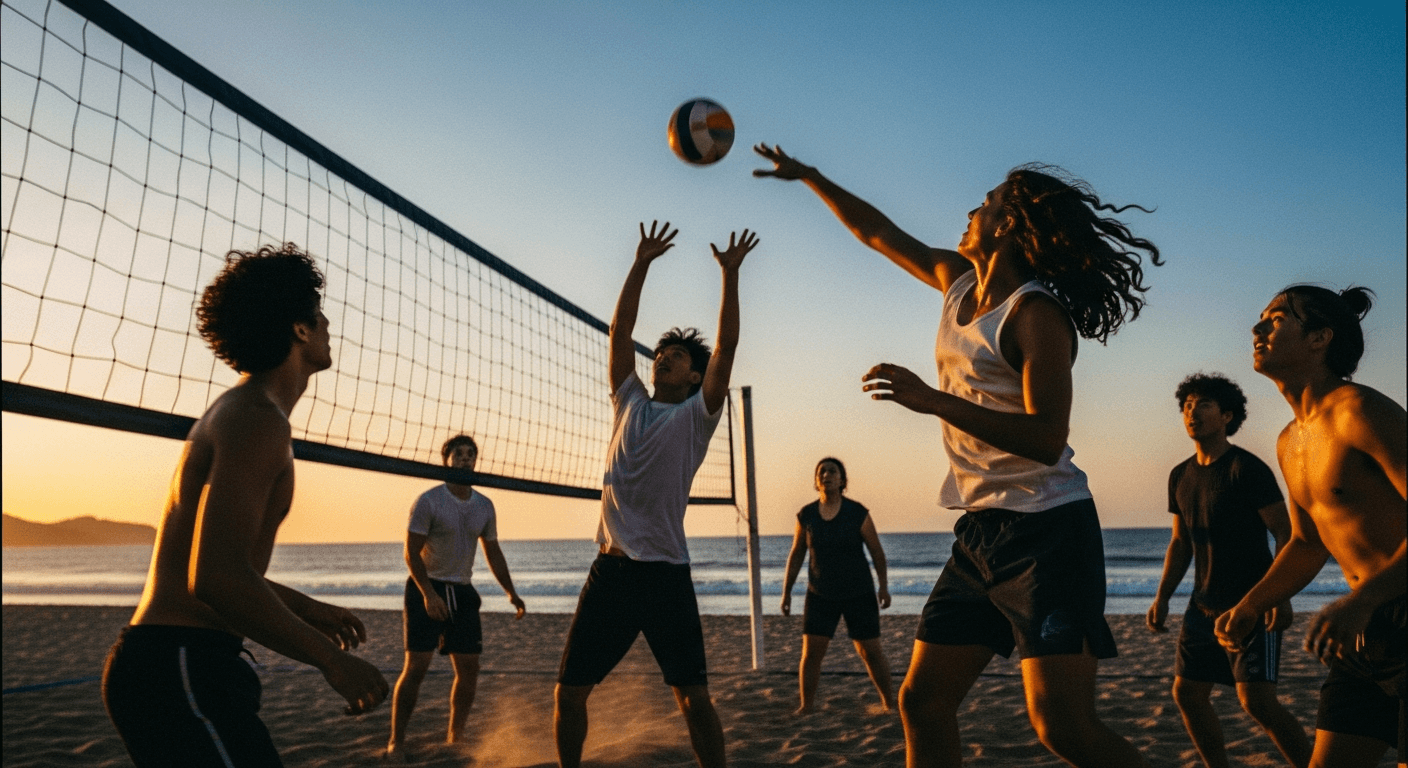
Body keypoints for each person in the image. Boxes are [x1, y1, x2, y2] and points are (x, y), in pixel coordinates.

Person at [755, 144, 1160, 768]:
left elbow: (1047, 437)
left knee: (1063, 729)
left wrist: (934, 402)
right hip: (980, 532)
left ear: (1010, 226)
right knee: (921, 701)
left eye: (990, 201)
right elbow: (877, 234)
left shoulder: (1035, 314)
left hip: (1050, 533)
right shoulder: (958, 283)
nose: (975, 207)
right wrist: (810, 176)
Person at [101, 243, 389, 767]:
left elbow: (210, 565)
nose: (329, 326)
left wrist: (306, 608)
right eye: (320, 315)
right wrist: (330, 662)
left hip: (173, 662)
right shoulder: (257, 418)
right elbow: (214, 579)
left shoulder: (242, 412)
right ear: (300, 329)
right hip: (179, 665)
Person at [553, 221, 758, 768]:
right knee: (569, 693)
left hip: (665, 575)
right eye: (660, 354)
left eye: (675, 356)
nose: (662, 358)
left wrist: (730, 276)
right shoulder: (630, 402)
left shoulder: (697, 415)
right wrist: (641, 261)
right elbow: (620, 330)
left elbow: (729, 345)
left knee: (692, 697)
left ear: (694, 376)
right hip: (611, 572)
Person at [1215, 285, 1405, 768]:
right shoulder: (1289, 441)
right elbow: (1306, 543)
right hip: (1362, 630)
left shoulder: (1360, 412)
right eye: (1260, 318)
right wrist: (1252, 605)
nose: (1258, 328)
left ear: (1320, 338)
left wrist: (1363, 599)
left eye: (1277, 319)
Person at [1147, 373, 1310, 768]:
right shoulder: (1180, 475)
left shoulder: (1246, 469)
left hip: (1250, 605)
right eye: (1186, 406)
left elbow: (1284, 533)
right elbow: (1181, 543)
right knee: (1187, 693)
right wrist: (1163, 597)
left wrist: (1278, 596)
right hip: (1202, 606)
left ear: (1226, 416)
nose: (1191, 413)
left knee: (1257, 702)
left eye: (1202, 405)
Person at [385, 433, 526, 760]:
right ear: (446, 460)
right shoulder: (429, 501)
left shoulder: (483, 505)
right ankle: (397, 740)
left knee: (469, 670)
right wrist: (428, 595)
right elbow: (411, 553)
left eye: (470, 454)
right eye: (459, 454)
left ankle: (455, 738)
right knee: (416, 668)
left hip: (462, 592)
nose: (465, 458)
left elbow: (493, 552)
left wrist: (512, 593)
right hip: (427, 586)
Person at [781, 456, 895, 714]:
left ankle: (889, 703)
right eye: (821, 472)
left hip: (859, 593)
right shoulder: (806, 515)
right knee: (810, 655)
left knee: (871, 652)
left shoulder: (857, 513)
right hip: (820, 594)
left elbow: (877, 553)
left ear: (842, 480)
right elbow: (797, 554)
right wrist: (786, 592)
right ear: (816, 480)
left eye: (832, 471)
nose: (826, 475)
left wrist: (884, 587)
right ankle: (806, 706)